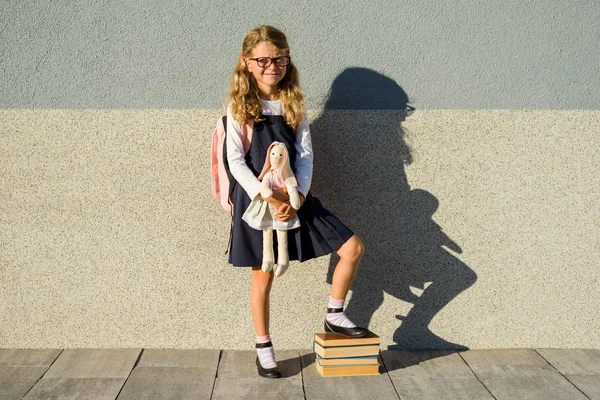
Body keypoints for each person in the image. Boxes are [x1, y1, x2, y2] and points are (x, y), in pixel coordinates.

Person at [225, 25, 367, 379]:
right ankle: (264, 347)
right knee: (264, 276)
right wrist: (270, 198)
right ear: (247, 62)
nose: (272, 66)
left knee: (352, 248)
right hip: (258, 204)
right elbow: (235, 162)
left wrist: (297, 196)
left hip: (294, 197)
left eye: (280, 59)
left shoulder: (293, 103)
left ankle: (335, 314)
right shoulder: (240, 106)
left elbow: (304, 156)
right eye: (263, 60)